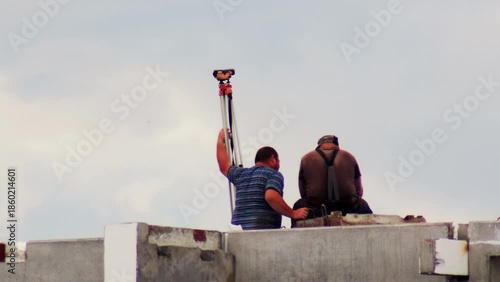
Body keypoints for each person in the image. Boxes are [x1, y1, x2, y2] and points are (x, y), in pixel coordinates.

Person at [216, 129, 308, 230]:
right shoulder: (274, 174)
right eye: (279, 160)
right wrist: (293, 213)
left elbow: (224, 166)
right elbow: (271, 197)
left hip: (240, 233)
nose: (279, 164)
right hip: (263, 232)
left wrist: (220, 139)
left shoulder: (241, 174)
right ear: (273, 159)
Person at [293, 134, 372, 222]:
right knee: (363, 205)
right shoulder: (349, 156)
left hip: (317, 209)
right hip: (348, 207)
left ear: (319, 146)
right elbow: (359, 191)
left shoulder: (306, 158)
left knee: (298, 205)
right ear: (337, 146)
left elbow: (303, 192)